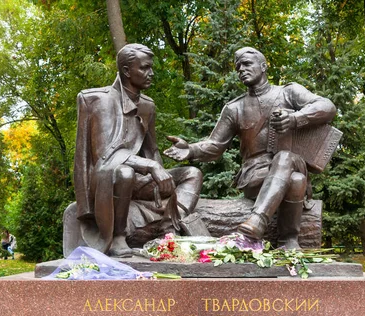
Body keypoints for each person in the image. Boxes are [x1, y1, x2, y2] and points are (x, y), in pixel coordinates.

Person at [165, 47, 337, 249]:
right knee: (296, 180)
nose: (241, 70)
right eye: (238, 67)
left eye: (247, 64)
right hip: (255, 174)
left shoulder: (288, 93)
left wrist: (295, 118)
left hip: (291, 162)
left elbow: (327, 107)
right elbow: (215, 146)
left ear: (263, 67)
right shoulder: (234, 108)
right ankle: (288, 242)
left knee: (285, 159)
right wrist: (191, 149)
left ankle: (258, 220)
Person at [74, 43, 203, 257]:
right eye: (144, 68)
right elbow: (105, 155)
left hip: (138, 178)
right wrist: (150, 166)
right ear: (126, 71)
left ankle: (168, 227)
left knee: (192, 174)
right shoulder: (99, 100)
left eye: (151, 68)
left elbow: (151, 150)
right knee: (124, 172)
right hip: (106, 177)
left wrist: (161, 174)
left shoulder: (147, 105)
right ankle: (117, 237)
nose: (151, 73)